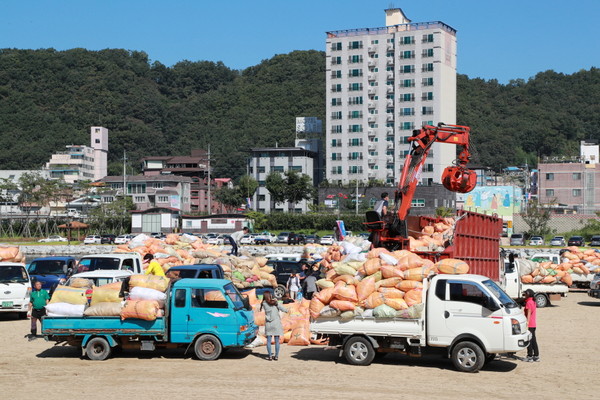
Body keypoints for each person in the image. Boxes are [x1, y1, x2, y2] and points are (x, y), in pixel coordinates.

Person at [261, 291, 288, 361]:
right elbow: (283, 309)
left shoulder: (264, 303)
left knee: (268, 341)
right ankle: (276, 356)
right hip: (276, 324)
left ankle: (270, 356)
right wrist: (286, 310)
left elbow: (269, 303)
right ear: (270, 296)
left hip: (268, 324)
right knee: (277, 340)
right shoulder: (275, 303)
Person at [523, 289, 540, 362]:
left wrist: (527, 322)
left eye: (525, 294)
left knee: (529, 340)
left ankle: (529, 356)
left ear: (528, 294)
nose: (524, 295)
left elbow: (529, 313)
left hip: (529, 324)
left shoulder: (529, 302)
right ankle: (536, 355)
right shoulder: (533, 301)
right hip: (533, 324)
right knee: (533, 340)